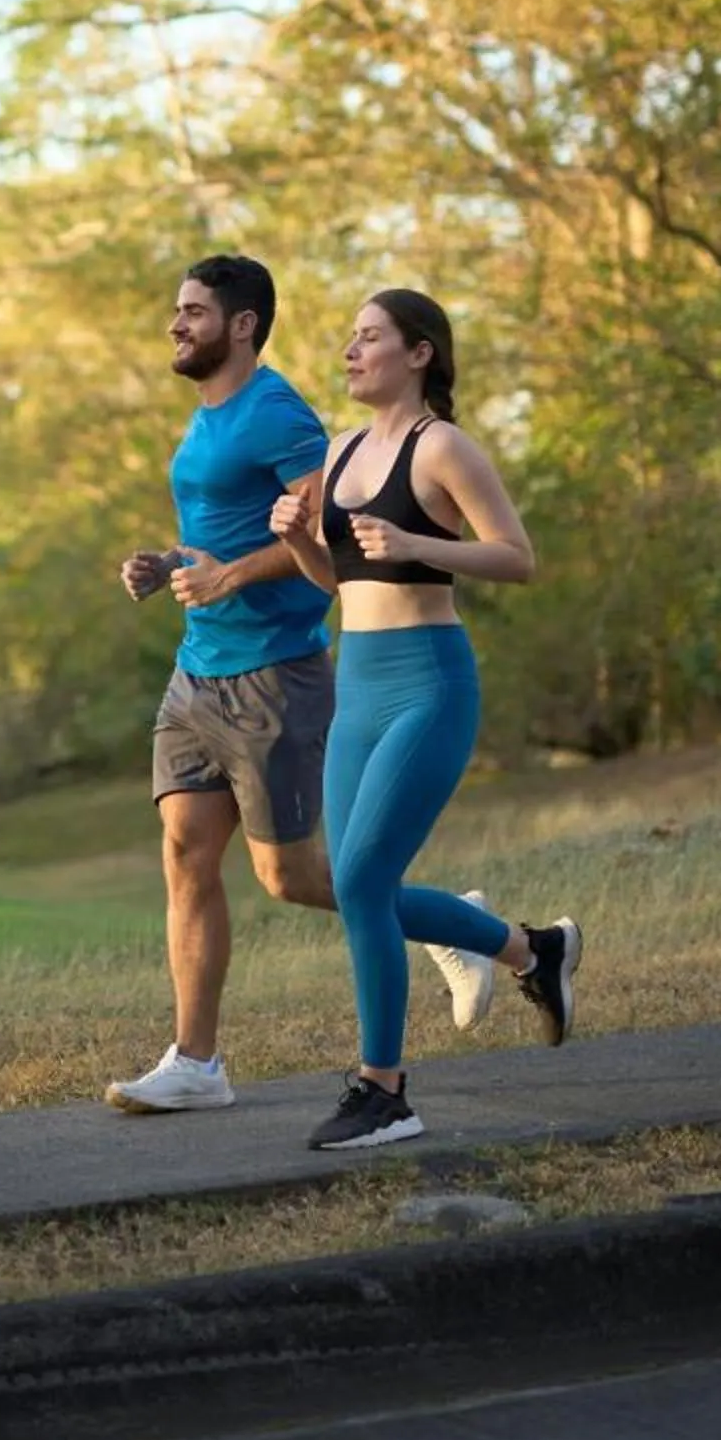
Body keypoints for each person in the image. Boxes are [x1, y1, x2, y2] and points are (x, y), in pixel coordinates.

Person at [104, 258, 498, 1111]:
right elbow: (234, 536)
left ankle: (472, 934)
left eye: (193, 312)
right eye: (176, 309)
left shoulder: (281, 414)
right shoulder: (205, 420)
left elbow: (323, 542)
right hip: (197, 668)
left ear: (242, 325)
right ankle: (196, 1065)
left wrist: (232, 578)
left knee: (302, 880)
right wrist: (169, 566)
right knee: (185, 854)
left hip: (273, 672)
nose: (176, 324)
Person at [269, 289, 582, 1151]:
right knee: (353, 882)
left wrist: (419, 546)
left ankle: (385, 1091)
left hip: (429, 685)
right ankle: (528, 950)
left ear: (419, 353)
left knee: (365, 880)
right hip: (357, 686)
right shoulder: (337, 454)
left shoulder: (442, 446)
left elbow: (516, 558)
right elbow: (340, 583)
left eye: (369, 336)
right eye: (349, 337)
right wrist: (298, 536)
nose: (350, 349)